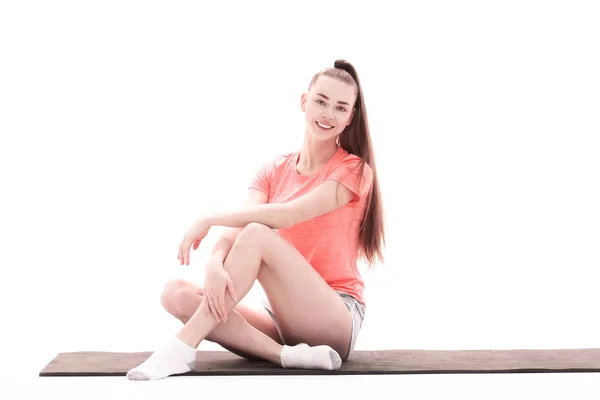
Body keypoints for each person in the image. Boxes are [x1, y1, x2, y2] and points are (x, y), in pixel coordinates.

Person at [126, 59, 385, 380]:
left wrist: (210, 217)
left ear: (350, 118)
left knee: (258, 234)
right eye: (321, 101)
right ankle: (286, 356)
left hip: (336, 315)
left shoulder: (354, 170)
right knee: (175, 292)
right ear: (304, 101)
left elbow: (291, 213)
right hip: (280, 317)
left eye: (340, 108)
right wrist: (215, 263)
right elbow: (240, 225)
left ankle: (179, 349)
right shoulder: (273, 169)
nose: (328, 114)